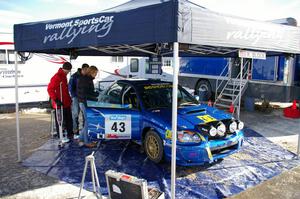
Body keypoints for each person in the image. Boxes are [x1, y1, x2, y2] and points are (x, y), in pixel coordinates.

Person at [47, 62, 73, 140]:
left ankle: (70, 134)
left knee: (69, 119)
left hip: (66, 102)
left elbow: (65, 90)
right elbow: (50, 89)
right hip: (59, 103)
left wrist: (69, 99)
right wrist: (56, 99)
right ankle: (61, 136)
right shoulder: (57, 77)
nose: (68, 73)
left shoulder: (64, 76)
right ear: (66, 69)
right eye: (68, 71)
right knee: (60, 121)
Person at [77, 66, 99, 148]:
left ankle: (81, 138)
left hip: (84, 102)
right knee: (88, 122)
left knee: (87, 122)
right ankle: (86, 142)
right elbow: (85, 93)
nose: (96, 74)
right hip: (85, 103)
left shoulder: (85, 79)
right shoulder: (86, 80)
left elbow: (88, 91)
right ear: (91, 72)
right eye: (95, 73)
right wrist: (95, 96)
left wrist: (95, 93)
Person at [68, 63, 89, 136]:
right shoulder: (74, 76)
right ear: (83, 69)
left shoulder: (87, 76)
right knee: (75, 113)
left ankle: (84, 130)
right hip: (76, 98)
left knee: (85, 114)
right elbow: (70, 87)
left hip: (84, 98)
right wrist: (74, 97)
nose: (87, 72)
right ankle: (75, 130)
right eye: (87, 70)